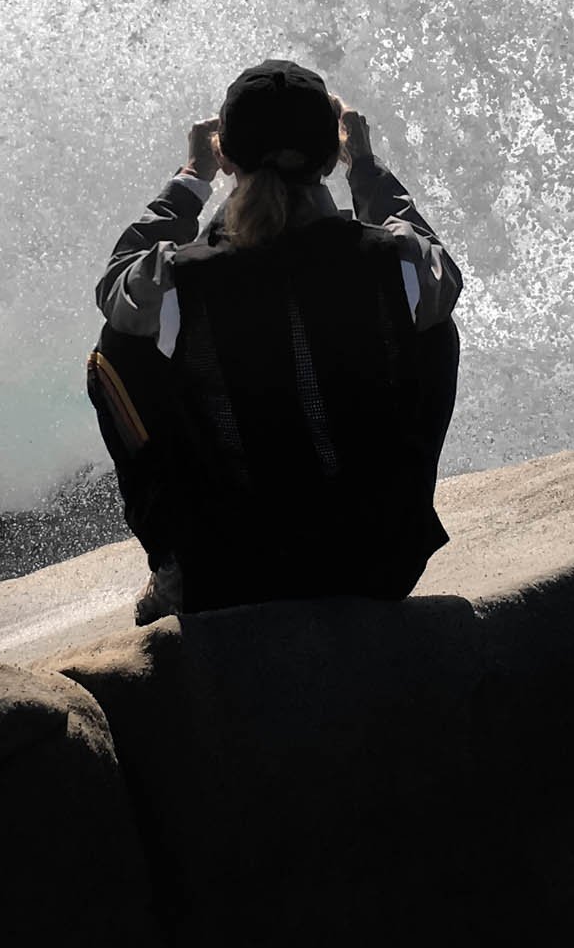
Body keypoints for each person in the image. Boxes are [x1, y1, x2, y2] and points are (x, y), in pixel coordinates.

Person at [87, 59, 463, 620]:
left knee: (116, 351)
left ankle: (174, 569)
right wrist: (366, 167)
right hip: (377, 563)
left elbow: (115, 280)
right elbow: (439, 267)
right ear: (332, 154)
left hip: (230, 575)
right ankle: (397, 518)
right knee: (433, 326)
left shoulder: (176, 279)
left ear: (224, 155)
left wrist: (190, 179)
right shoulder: (396, 263)